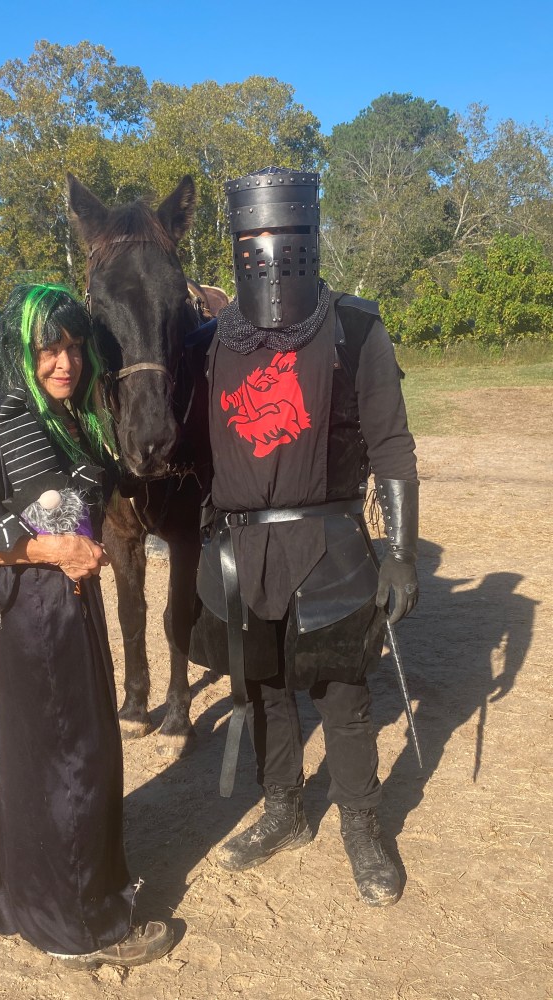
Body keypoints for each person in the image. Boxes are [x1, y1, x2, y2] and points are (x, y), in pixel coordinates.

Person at [190, 167, 419, 907]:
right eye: (255, 241)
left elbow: (391, 444)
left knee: (344, 695)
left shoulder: (354, 327)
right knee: (262, 691)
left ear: (309, 235)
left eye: (283, 238)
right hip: (242, 548)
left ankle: (361, 823)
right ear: (236, 243)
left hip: (330, 544)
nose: (270, 255)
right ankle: (284, 809)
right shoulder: (208, 343)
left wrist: (403, 555)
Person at [0, 284, 174, 968]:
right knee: (72, 762)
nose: (65, 362)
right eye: (51, 348)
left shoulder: (66, 417)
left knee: (39, 760)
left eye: (74, 347)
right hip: (34, 619)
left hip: (73, 610)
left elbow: (88, 490)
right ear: (24, 350)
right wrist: (55, 548)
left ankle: (2, 890)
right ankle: (80, 926)